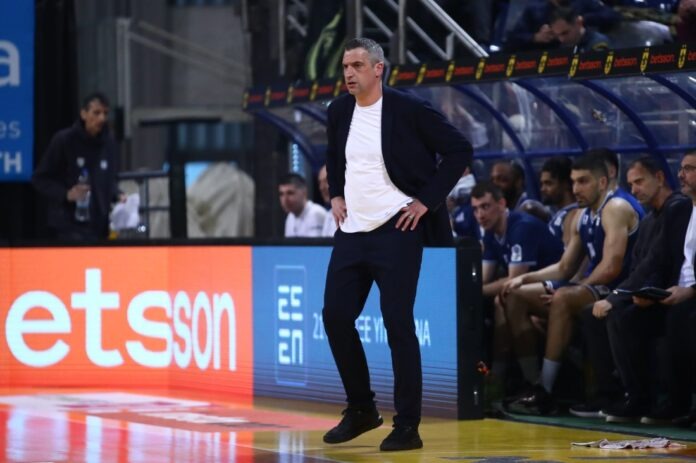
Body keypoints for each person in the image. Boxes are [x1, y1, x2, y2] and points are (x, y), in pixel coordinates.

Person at [321, 38, 472, 451]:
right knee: (335, 316)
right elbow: (335, 155)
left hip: (397, 229)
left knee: (397, 323)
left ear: (378, 69)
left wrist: (426, 201)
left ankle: (407, 425)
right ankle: (361, 409)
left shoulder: (408, 109)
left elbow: (459, 150)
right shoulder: (338, 110)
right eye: (345, 66)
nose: (348, 73)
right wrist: (336, 193)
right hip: (352, 231)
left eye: (357, 65)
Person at [500, 154, 643, 415]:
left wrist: (572, 289)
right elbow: (565, 267)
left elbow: (612, 267)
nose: (576, 188)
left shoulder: (615, 208)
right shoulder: (582, 215)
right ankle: (532, 382)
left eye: (583, 181)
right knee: (514, 294)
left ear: (602, 182)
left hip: (622, 288)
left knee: (564, 298)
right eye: (574, 181)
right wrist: (525, 278)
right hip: (596, 286)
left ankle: (546, 390)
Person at [574, 155, 687, 419]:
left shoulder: (677, 207)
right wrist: (628, 294)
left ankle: (640, 398)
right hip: (651, 292)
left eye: (639, 182)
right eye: (631, 184)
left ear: (659, 178)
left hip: (674, 293)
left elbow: (658, 262)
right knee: (591, 314)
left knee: (619, 315)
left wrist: (616, 297)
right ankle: (610, 394)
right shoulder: (648, 220)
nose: (635, 190)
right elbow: (639, 268)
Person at [32, 92, 122, 240]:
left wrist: (118, 194)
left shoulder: (109, 143)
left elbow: (109, 179)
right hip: (68, 226)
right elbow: (40, 178)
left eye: (105, 113)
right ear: (84, 114)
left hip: (100, 227)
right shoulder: (64, 140)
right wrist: (66, 194)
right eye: (96, 113)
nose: (102, 118)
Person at [505, 0, 620, 52]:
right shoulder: (535, 10)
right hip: (549, 61)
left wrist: (582, 20)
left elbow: (612, 15)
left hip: (583, 49)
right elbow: (511, 41)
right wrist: (535, 37)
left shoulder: (582, 2)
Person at [539, 156, 579, 247]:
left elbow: (566, 252)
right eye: (542, 184)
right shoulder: (555, 213)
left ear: (566, 184)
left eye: (548, 183)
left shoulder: (573, 214)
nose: (543, 189)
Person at [278, 173, 327, 237]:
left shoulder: (316, 213)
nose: (285, 199)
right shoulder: (290, 217)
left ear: (304, 193)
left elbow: (315, 244)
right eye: (281, 194)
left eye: (290, 193)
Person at [318, 164, 337, 237]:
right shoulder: (329, 214)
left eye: (326, 180)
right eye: (320, 182)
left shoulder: (354, 213)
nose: (322, 187)